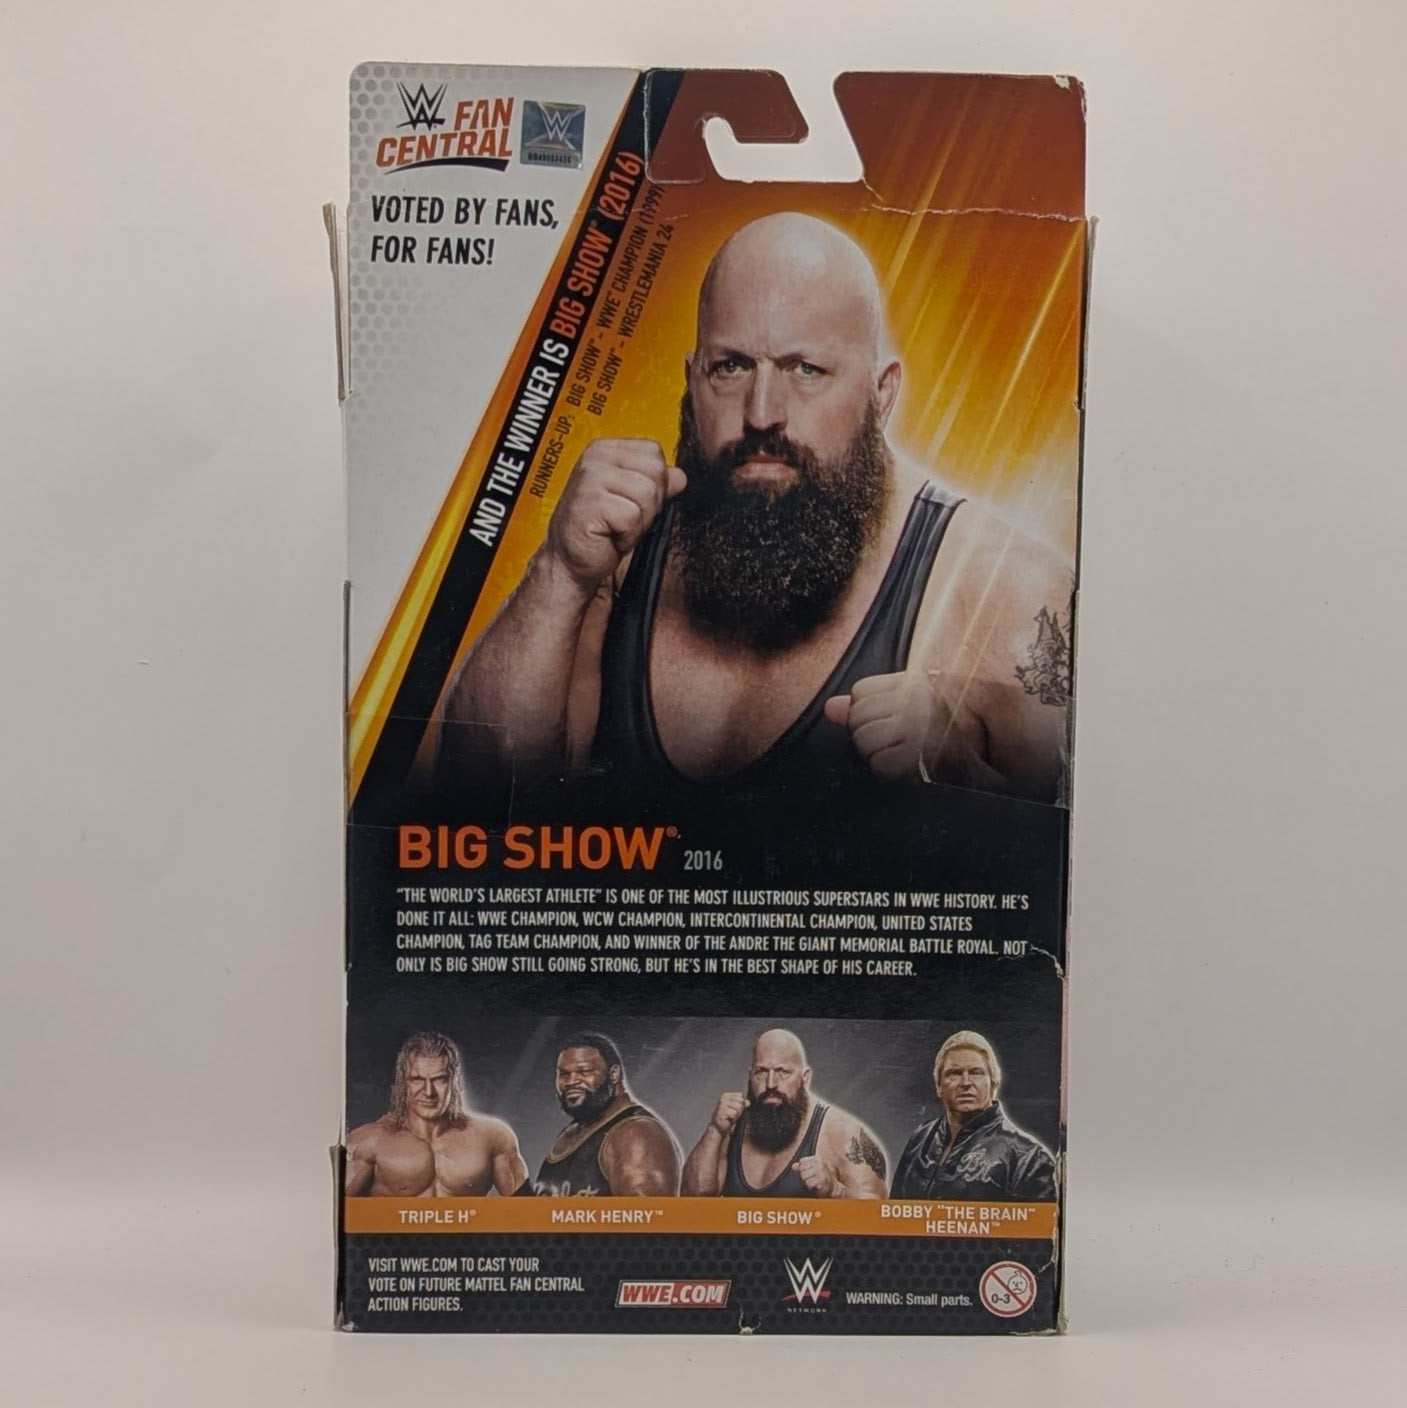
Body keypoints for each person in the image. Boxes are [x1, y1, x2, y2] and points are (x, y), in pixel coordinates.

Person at [437, 211, 1073, 800]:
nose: (762, 413)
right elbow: (479, 796)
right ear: (693, 380)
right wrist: (560, 571)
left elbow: (1084, 850)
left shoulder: (1007, 595)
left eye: (805, 369)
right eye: (732, 367)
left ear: (882, 395)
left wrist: (963, 778)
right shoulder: (623, 553)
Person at [682, 1028, 887, 1198]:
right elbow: (693, 1199)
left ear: (805, 1077)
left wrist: (837, 1191)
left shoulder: (842, 1132)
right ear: (750, 1076)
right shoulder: (732, 1125)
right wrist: (715, 1129)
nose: (771, 1084)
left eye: (783, 1072)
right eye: (761, 1072)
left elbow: (879, 1216)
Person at [344, 1031, 529, 1196]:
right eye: (417, 1079)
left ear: (454, 1082)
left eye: (439, 1079)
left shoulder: (493, 1137)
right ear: (403, 1083)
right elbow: (336, 1215)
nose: (429, 1092)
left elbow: (527, 1212)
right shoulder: (368, 1141)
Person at [890, 1030, 1056, 1201]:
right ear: (939, 1086)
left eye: (976, 1072)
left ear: (993, 1083)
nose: (966, 1083)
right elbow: (894, 1211)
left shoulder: (1030, 1158)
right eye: (954, 1073)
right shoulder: (920, 1137)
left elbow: (1037, 1218)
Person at [535, 1032, 681, 1196]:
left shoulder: (637, 1134)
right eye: (564, 1074)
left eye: (584, 1071)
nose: (571, 1081)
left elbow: (648, 1212)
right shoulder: (573, 1132)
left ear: (614, 1074)